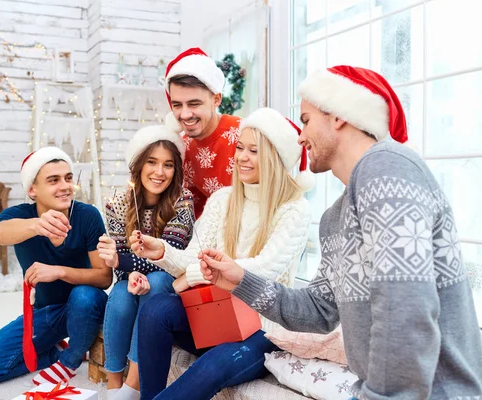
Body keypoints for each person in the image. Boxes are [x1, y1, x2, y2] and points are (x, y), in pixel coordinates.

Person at [199, 66, 482, 399]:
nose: (301, 137)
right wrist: (239, 280)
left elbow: (406, 308)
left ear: (337, 117)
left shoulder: (387, 165)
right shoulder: (336, 217)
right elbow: (319, 311)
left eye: (305, 119)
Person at [130, 108, 314, 399]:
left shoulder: (295, 209)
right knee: (156, 309)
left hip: (262, 330)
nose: (241, 156)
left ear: (275, 158)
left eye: (254, 151)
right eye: (240, 147)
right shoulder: (222, 200)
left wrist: (195, 275)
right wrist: (162, 250)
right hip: (216, 315)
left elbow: (263, 270)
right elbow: (194, 256)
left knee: (213, 364)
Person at [0, 147, 112, 385]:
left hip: (86, 306)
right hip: (46, 311)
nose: (65, 186)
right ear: (32, 190)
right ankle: (61, 350)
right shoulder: (19, 216)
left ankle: (70, 359)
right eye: (53, 180)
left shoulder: (87, 216)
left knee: (83, 296)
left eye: (68, 178)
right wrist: (37, 226)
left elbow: (104, 278)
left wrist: (59, 272)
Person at [96, 116, 195, 400]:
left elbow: (169, 255)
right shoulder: (117, 203)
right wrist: (128, 272)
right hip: (134, 278)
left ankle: (134, 385)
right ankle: (113, 383)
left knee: (159, 279)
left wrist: (123, 263)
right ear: (138, 165)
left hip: (170, 282)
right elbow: (120, 260)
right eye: (152, 162)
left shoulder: (182, 200)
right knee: (122, 295)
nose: (159, 172)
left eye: (168, 164)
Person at [165, 47, 242, 218]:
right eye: (177, 105)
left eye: (194, 104)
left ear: (216, 99)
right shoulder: (179, 147)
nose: (184, 115)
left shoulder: (245, 136)